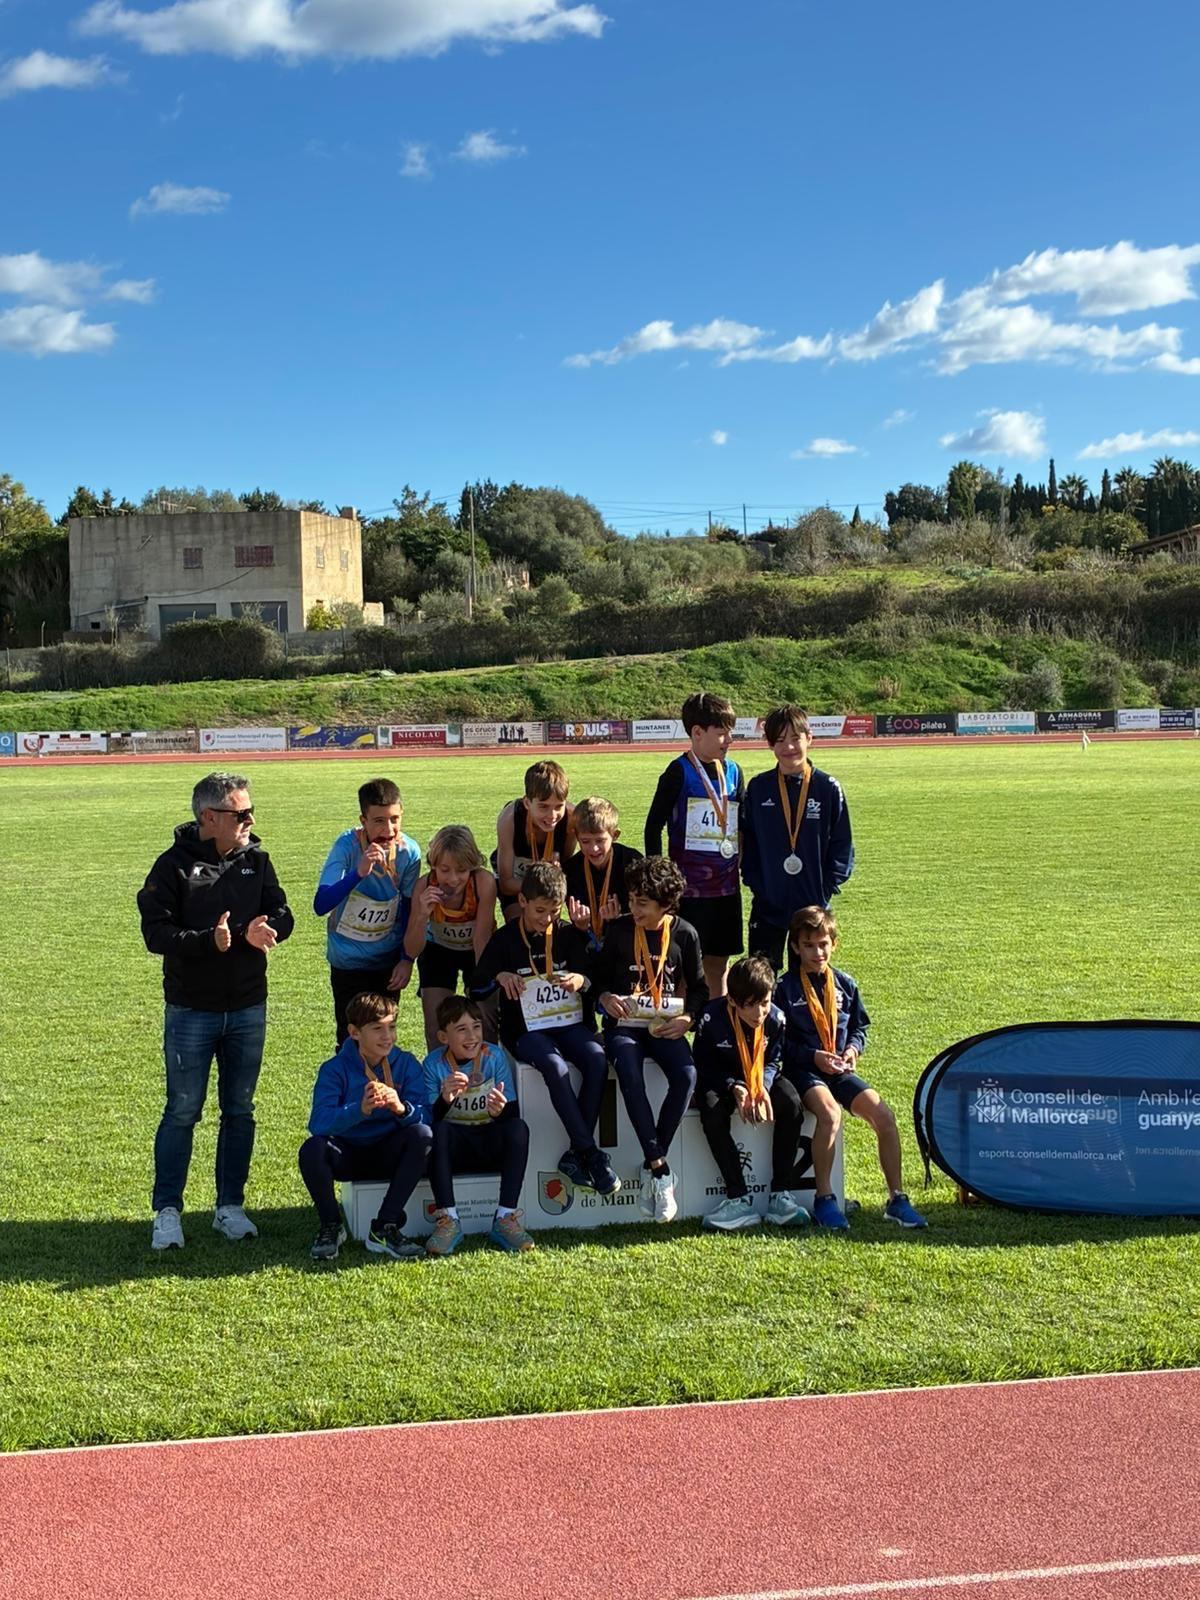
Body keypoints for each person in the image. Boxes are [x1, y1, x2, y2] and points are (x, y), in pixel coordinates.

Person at [138, 771, 294, 1251]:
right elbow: (155, 934)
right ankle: (168, 1211)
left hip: (248, 1006)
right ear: (209, 817)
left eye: (251, 811)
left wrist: (265, 930)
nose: (250, 820)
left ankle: (230, 1206)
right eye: (240, 813)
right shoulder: (172, 866)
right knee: (182, 1110)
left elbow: (283, 913)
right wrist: (211, 940)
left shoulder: (257, 860)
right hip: (191, 1010)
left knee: (240, 1110)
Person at [471, 862, 620, 1198]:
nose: (547, 919)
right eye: (540, 911)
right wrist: (499, 977)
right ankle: (591, 1153)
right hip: (527, 1031)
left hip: (570, 1025)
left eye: (554, 911)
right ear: (522, 902)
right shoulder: (505, 939)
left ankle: (576, 1154)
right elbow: (475, 986)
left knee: (597, 1059)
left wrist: (582, 980)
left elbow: (597, 981)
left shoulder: (568, 934)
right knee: (554, 1066)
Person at [776, 906, 926, 1231]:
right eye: (809, 946)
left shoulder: (845, 984)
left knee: (884, 1116)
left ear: (834, 944)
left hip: (840, 1069)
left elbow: (860, 1026)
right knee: (831, 1114)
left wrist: (854, 1049)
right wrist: (813, 1056)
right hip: (804, 1071)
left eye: (823, 945)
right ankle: (824, 1198)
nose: (817, 953)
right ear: (796, 947)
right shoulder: (783, 989)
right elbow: (777, 1043)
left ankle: (897, 1199)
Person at [594, 856, 705, 1223]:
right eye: (631, 899)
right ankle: (660, 1169)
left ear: (666, 904)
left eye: (642, 903)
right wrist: (605, 998)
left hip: (663, 1026)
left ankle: (652, 1164)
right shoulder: (620, 930)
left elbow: (700, 989)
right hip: (624, 1027)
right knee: (628, 1068)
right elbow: (597, 980)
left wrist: (687, 1019)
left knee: (686, 1075)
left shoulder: (685, 934)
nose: (634, 908)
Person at [298, 991, 432, 1261]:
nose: (387, 1036)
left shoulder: (406, 1064)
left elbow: (428, 1116)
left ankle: (385, 1227)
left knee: (422, 1134)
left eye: (391, 1027)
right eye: (377, 1029)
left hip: (389, 1153)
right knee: (312, 1149)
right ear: (354, 1032)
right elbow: (318, 1122)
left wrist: (402, 1108)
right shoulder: (334, 1069)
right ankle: (331, 1225)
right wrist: (358, 1110)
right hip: (348, 1154)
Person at [693, 955, 811, 1231]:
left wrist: (763, 1087)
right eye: (750, 1005)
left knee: (792, 1103)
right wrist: (734, 1086)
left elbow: (774, 1060)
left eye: (765, 1003)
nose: (759, 1013)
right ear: (732, 1000)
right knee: (711, 1109)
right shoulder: (711, 1017)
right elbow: (703, 1063)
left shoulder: (776, 1019)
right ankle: (738, 1198)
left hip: (759, 1079)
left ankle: (780, 1195)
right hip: (723, 1080)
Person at [644, 692, 745, 998]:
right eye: (722, 733)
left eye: (730, 732)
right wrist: (660, 879)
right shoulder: (678, 772)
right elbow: (653, 826)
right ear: (697, 733)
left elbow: (741, 824)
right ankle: (684, 1022)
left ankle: (715, 1022)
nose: (729, 740)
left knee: (719, 964)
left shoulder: (734, 771)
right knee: (686, 966)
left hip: (726, 889)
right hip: (689, 891)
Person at [743, 706, 854, 973]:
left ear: (809, 738)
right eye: (780, 740)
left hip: (811, 905)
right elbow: (748, 842)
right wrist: (757, 883)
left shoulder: (827, 788)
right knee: (760, 978)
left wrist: (825, 889)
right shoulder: (759, 787)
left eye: (795, 738)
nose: (789, 747)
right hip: (768, 904)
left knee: (808, 978)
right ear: (770, 744)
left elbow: (842, 844)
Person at [422, 996, 534, 1256]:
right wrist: (444, 1101)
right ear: (443, 1036)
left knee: (518, 1128)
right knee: (438, 1131)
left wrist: (500, 1111)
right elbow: (428, 1120)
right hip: (455, 1150)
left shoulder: (494, 1056)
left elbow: (512, 1112)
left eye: (476, 1027)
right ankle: (448, 1220)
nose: (472, 1036)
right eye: (461, 1029)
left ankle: (505, 1218)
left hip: (488, 1144)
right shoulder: (433, 1065)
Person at [313, 778, 421, 1044]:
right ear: (363, 821)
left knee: (383, 1038)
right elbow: (321, 904)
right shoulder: (347, 847)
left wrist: (406, 959)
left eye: (395, 819)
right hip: (347, 962)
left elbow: (408, 910)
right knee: (351, 1039)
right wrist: (358, 873)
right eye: (379, 821)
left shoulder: (409, 853)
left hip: (387, 963)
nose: (388, 829)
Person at [404, 825, 499, 1051]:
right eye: (444, 870)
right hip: (438, 950)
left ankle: (487, 1068)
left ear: (473, 867)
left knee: (485, 1018)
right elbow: (411, 949)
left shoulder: (483, 882)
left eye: (462, 870)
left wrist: (482, 985)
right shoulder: (424, 886)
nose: (453, 879)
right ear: (433, 865)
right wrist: (422, 915)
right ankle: (441, 1071)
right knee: (436, 1025)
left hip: (477, 950)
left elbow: (481, 939)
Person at [493, 760, 575, 922]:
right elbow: (506, 884)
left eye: (558, 806)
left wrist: (557, 872)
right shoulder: (509, 819)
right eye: (543, 806)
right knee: (518, 924)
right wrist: (541, 883)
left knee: (549, 923)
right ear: (527, 803)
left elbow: (567, 868)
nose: (552, 816)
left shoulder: (571, 818)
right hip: (517, 882)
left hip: (547, 886)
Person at [564, 796, 642, 944]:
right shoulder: (571, 870)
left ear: (615, 835)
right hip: (587, 941)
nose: (594, 848)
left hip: (628, 941)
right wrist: (581, 926)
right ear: (577, 837)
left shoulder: (633, 864)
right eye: (585, 841)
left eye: (600, 840)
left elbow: (647, 913)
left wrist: (618, 920)